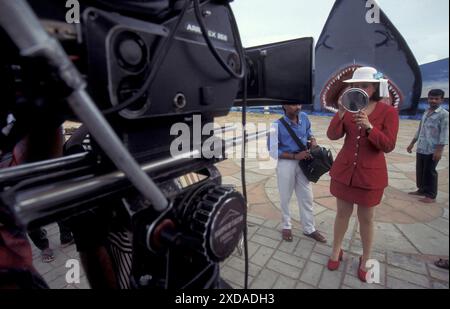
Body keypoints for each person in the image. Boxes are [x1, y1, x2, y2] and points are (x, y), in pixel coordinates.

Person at [326, 67, 399, 282]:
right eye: (355, 86)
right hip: (345, 172)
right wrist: (340, 112)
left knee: (366, 219)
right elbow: (332, 135)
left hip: (370, 176)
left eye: (365, 85)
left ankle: (366, 258)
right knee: (342, 214)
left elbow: (388, 145)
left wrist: (369, 128)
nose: (359, 89)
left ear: (375, 87)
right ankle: (336, 250)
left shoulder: (388, 113)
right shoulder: (349, 107)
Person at [268, 104, 326, 243]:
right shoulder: (276, 126)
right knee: (285, 196)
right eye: (293, 104)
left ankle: (309, 228)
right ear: (284, 106)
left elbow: (309, 132)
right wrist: (295, 156)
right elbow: (273, 151)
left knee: (306, 196)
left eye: (299, 104)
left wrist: (313, 141)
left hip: (304, 162)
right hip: (286, 163)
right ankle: (286, 225)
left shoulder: (304, 117)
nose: (298, 107)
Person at [407, 89, 448, 204]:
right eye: (431, 98)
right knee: (420, 170)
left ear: (441, 100)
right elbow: (420, 129)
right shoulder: (426, 112)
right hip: (421, 147)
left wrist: (439, 151)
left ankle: (431, 195)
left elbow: (444, 134)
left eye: (436, 99)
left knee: (430, 171)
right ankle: (421, 190)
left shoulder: (444, 115)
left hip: (432, 150)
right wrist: (412, 143)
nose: (433, 101)